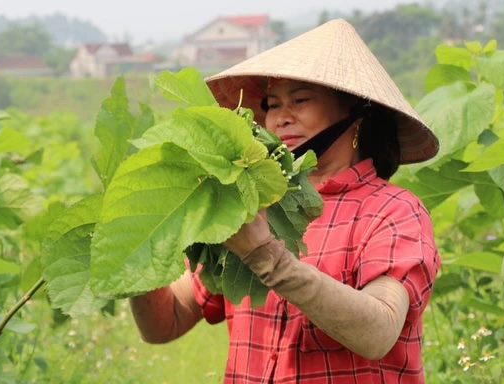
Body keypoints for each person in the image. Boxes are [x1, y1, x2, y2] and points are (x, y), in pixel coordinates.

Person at [129, 19, 441, 383]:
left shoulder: (393, 212)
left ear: (357, 115)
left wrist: (266, 256)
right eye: (272, 104)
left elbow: (379, 332)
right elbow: (165, 323)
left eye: (301, 100)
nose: (281, 117)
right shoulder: (249, 204)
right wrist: (137, 248)